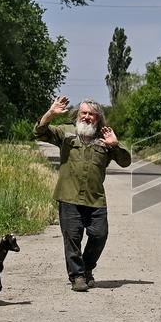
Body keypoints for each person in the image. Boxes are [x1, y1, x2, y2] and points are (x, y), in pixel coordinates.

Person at [35, 96, 132, 292]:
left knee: (100, 235)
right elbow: (40, 132)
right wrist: (51, 113)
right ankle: (77, 276)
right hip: (68, 196)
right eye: (84, 113)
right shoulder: (65, 133)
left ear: (98, 118)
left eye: (91, 114)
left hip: (95, 199)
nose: (87, 117)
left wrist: (115, 144)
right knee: (72, 237)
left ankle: (86, 268)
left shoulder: (105, 138)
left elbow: (125, 162)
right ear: (78, 115)